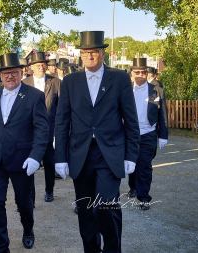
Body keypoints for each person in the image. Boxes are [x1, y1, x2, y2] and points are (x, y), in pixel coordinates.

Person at [54, 30, 139, 253]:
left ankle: (112, 249)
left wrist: (131, 154)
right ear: (81, 55)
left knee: (106, 206)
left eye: (94, 52)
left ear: (102, 54)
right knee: (85, 209)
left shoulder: (119, 79)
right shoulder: (71, 81)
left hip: (109, 154)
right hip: (80, 155)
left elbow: (130, 119)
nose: (90, 56)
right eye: (86, 52)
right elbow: (62, 122)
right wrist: (60, 158)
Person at [0, 52, 48, 252]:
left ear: (21, 73)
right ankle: (1, 246)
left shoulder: (35, 96)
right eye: (6, 73)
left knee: (24, 203)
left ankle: (28, 230)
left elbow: (41, 130)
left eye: (15, 73)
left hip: (22, 160)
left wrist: (36, 157)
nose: (10, 77)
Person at [127, 58, 168, 210]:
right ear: (132, 73)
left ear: (147, 74)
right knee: (131, 164)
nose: (140, 75)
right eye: (137, 72)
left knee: (144, 166)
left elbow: (162, 112)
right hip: (130, 134)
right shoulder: (126, 89)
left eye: (143, 72)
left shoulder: (155, 90)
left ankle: (144, 197)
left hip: (148, 133)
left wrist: (163, 135)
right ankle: (133, 187)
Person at [22, 51, 60, 203]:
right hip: (29, 131)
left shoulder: (55, 82)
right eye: (38, 65)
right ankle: (30, 196)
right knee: (29, 163)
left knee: (49, 162)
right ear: (31, 67)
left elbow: (61, 106)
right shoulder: (25, 83)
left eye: (43, 64)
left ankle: (49, 191)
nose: (41, 67)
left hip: (49, 130)